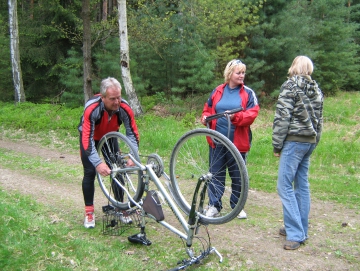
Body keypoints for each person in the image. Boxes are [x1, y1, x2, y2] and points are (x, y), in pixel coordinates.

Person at [272, 56, 324, 250]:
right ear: (309, 68)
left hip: (294, 142)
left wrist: (277, 145)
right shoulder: (316, 89)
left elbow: (282, 118)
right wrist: (314, 141)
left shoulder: (290, 86)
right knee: (301, 185)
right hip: (309, 142)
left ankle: (295, 234)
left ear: (293, 67)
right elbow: (320, 118)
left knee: (284, 185)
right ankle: (299, 228)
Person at [201, 59, 260, 219]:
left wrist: (235, 117)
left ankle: (237, 206)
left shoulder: (248, 93)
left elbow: (252, 113)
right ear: (230, 74)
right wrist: (205, 117)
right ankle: (214, 205)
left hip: (238, 143)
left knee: (238, 176)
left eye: (243, 73)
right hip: (217, 141)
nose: (242, 75)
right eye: (238, 72)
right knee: (215, 174)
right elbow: (207, 109)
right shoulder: (217, 91)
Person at [78, 77, 140, 228]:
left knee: (118, 170)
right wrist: (98, 163)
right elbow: (86, 139)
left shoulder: (124, 108)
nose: (117, 102)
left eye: (119, 97)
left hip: (110, 136)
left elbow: (132, 133)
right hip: (91, 139)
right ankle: (89, 212)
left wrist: (133, 155)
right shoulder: (92, 109)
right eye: (112, 99)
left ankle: (121, 208)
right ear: (103, 97)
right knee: (90, 172)